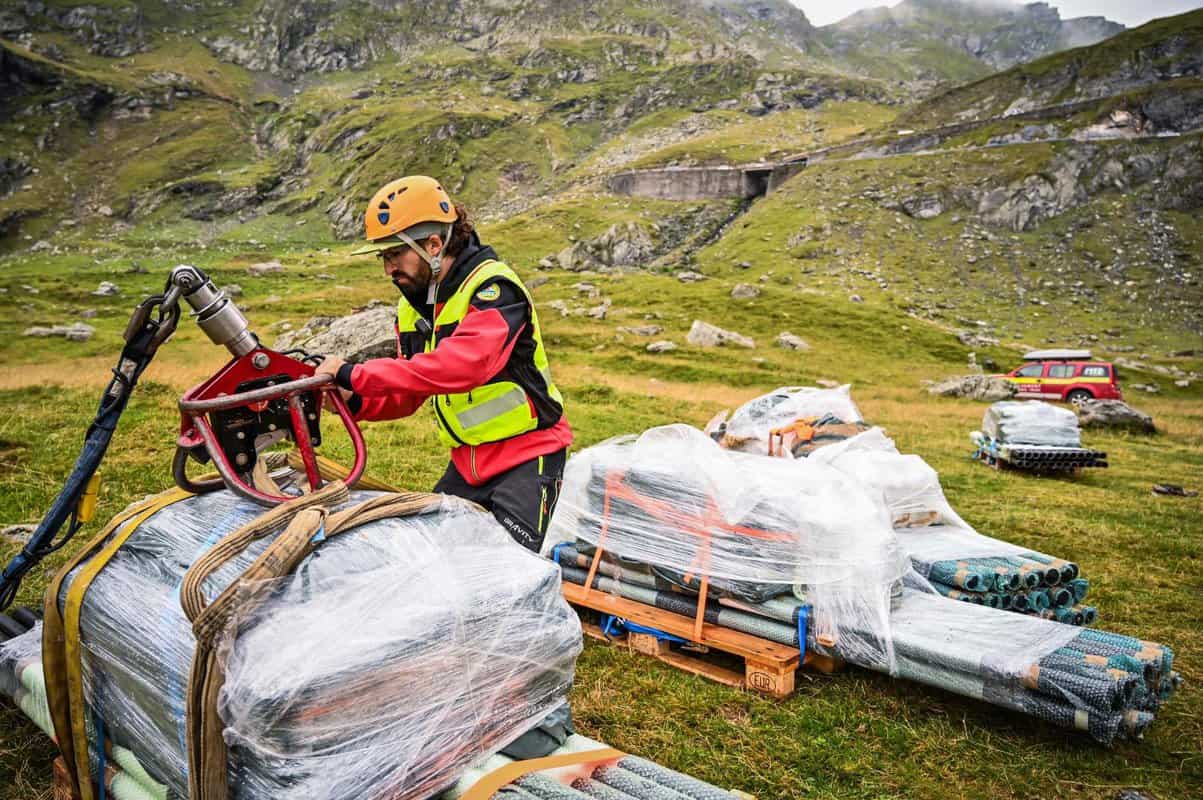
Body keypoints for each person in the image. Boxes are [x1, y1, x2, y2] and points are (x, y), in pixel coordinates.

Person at [315, 175, 572, 553]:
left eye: (394, 255)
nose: (388, 270)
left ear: (434, 245)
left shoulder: (494, 290)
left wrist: (353, 372)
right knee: (432, 559)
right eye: (382, 258)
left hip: (528, 459)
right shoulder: (414, 306)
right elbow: (411, 390)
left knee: (509, 571)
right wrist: (351, 398)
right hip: (468, 466)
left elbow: (461, 366)